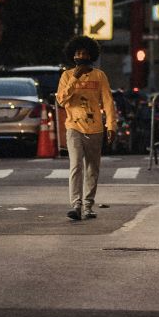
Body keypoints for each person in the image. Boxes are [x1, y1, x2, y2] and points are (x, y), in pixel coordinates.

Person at [55, 36, 116, 221]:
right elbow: (61, 100)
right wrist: (75, 77)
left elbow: (107, 101)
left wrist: (111, 125)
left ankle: (88, 206)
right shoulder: (66, 76)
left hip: (95, 128)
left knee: (92, 168)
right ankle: (76, 205)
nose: (81, 56)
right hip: (74, 127)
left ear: (91, 55)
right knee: (76, 166)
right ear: (73, 56)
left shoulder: (100, 76)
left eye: (84, 53)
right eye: (78, 53)